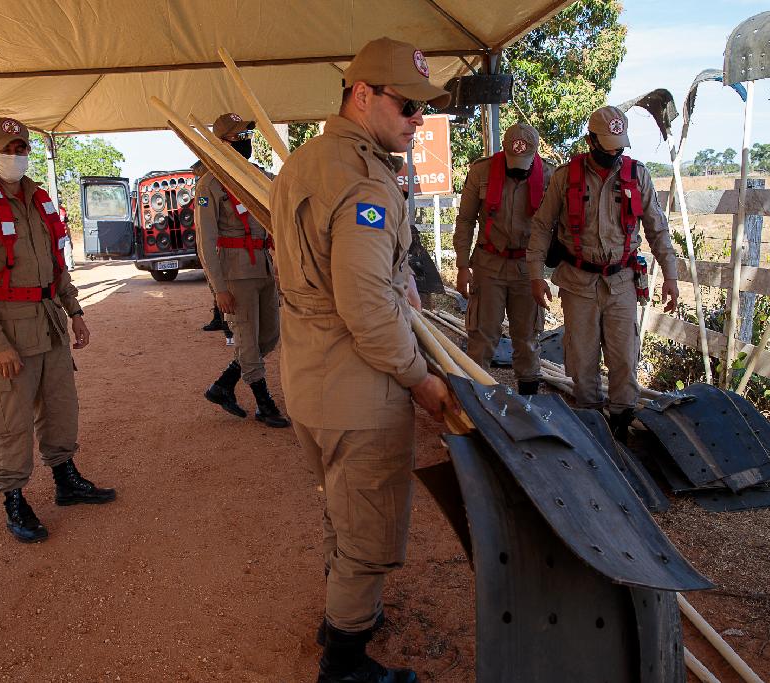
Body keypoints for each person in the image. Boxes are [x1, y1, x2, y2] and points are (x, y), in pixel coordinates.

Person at [270, 36, 455, 683]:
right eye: (408, 106)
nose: (418, 120)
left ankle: (341, 618)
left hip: (310, 375)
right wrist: (420, 379)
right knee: (369, 527)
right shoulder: (364, 180)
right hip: (357, 386)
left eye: (423, 109)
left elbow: (333, 274)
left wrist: (397, 282)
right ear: (363, 95)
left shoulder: (305, 162)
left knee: (342, 508)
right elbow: (368, 308)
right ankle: (344, 664)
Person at [0, 117, 115, 544]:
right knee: (11, 419)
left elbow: (57, 262)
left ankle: (65, 479)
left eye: (21, 147)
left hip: (49, 322)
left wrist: (75, 311)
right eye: (7, 148)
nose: (15, 154)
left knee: (60, 407)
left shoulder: (39, 199)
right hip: (8, 330)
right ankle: (14, 499)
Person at [527, 106, 680, 442]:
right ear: (591, 141)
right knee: (581, 358)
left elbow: (657, 228)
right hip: (577, 281)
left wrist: (670, 275)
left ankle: (621, 423)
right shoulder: (566, 177)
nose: (613, 153)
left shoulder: (637, 175)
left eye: (619, 147)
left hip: (622, 281)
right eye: (607, 146)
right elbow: (541, 226)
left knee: (624, 356)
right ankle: (591, 425)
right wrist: (536, 275)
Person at [195, 114, 288, 427]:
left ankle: (223, 386)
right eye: (239, 137)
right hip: (235, 273)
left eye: (248, 135)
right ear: (222, 143)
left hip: (262, 266)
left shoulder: (257, 175)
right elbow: (206, 242)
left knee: (269, 336)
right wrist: (218, 288)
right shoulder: (210, 184)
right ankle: (264, 404)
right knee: (247, 339)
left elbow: (285, 188)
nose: (246, 141)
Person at [454, 123, 555, 395]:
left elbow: (558, 226)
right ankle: (475, 400)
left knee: (527, 337)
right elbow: (465, 220)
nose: (517, 169)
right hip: (489, 263)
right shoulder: (482, 171)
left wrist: (544, 273)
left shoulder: (549, 175)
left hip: (527, 266)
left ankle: (529, 403)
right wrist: (462, 266)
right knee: (482, 335)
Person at [191, 160, 234, 345]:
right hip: (213, 249)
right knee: (216, 288)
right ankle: (221, 322)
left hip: (221, 249)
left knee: (221, 289)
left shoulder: (210, 186)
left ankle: (228, 328)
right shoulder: (205, 188)